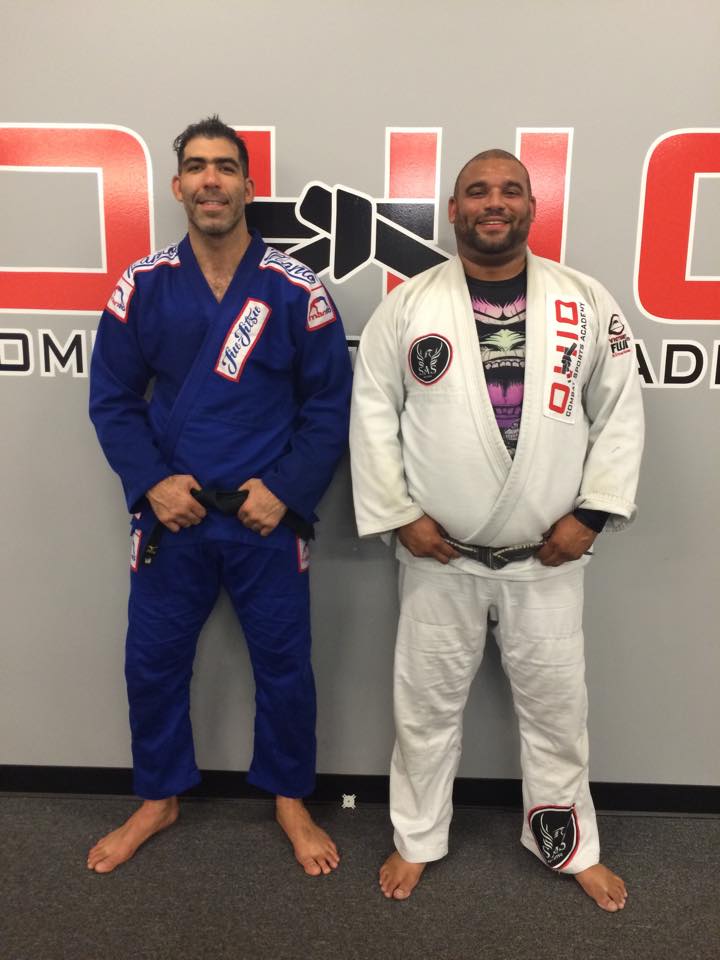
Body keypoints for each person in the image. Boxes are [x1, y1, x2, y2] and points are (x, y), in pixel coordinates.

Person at [349, 149, 643, 911]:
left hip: (548, 560)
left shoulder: (585, 301)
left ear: (532, 208)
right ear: (453, 210)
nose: (494, 203)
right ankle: (417, 837)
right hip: (437, 558)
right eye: (477, 191)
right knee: (424, 709)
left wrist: (592, 514)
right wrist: (400, 516)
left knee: (557, 712)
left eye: (510, 190)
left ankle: (567, 844)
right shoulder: (409, 306)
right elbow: (373, 413)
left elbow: (619, 410)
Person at [88, 115, 352, 876]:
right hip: (174, 518)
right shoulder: (143, 285)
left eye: (226, 167)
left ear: (248, 186)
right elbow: (112, 398)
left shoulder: (296, 288)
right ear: (178, 186)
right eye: (198, 167)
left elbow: (329, 404)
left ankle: (290, 797)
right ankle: (159, 794)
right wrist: (151, 483)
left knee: (285, 666)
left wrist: (287, 490)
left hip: (264, 519)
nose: (212, 180)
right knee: (152, 663)